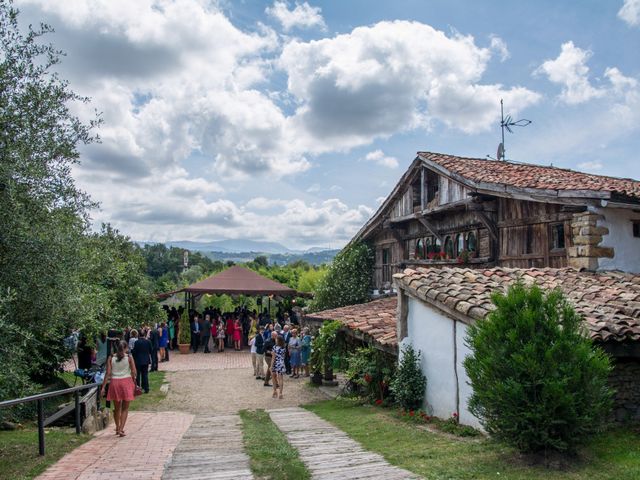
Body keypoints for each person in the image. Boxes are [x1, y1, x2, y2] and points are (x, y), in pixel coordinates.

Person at [101, 340, 136, 437]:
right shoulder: (129, 357)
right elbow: (134, 371)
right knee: (125, 408)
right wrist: (134, 381)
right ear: (125, 348)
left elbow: (107, 373)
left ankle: (117, 428)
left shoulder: (111, 357)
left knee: (117, 408)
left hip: (114, 383)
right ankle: (121, 429)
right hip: (126, 382)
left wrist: (103, 387)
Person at [131, 329, 152, 393]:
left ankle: (138, 388)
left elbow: (134, 352)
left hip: (138, 360)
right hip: (145, 360)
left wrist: (132, 351)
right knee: (145, 374)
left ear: (139, 335)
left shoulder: (137, 342)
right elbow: (151, 350)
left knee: (138, 375)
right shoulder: (148, 342)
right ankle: (146, 388)